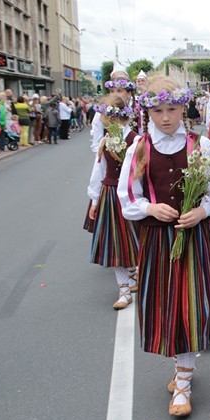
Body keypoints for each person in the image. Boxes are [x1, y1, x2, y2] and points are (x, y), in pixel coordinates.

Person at [118, 77, 210, 417]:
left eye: (172, 109)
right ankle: (181, 368)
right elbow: (128, 197)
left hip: (193, 237)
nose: (166, 117)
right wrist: (150, 208)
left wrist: (201, 210)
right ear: (148, 112)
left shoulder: (201, 144)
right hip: (158, 240)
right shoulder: (139, 148)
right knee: (168, 307)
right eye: (157, 110)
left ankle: (183, 382)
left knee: (190, 305)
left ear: (184, 107)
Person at [87, 96, 140, 310]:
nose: (101, 120)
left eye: (104, 116)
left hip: (131, 194)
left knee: (135, 241)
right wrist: (95, 199)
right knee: (116, 244)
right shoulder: (105, 140)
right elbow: (98, 170)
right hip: (110, 194)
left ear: (114, 117)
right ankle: (124, 291)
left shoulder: (136, 140)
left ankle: (134, 276)